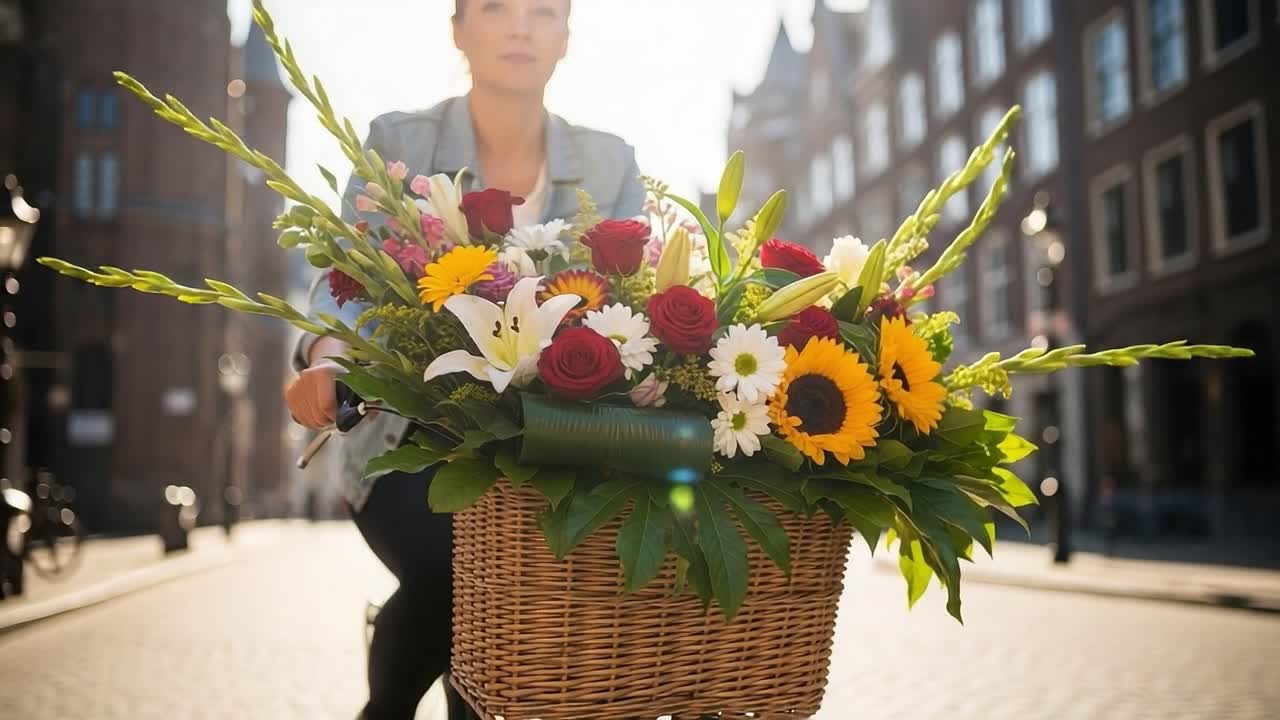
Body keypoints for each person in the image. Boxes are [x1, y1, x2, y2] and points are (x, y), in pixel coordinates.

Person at [284, 1, 645, 718]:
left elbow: (635, 304)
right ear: (457, 29)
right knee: (466, 568)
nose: (519, 27)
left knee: (497, 596)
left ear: (566, 37)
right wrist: (328, 360)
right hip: (407, 437)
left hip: (554, 444)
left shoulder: (611, 162)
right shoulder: (398, 143)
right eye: (495, 7)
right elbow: (346, 284)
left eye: (544, 11)